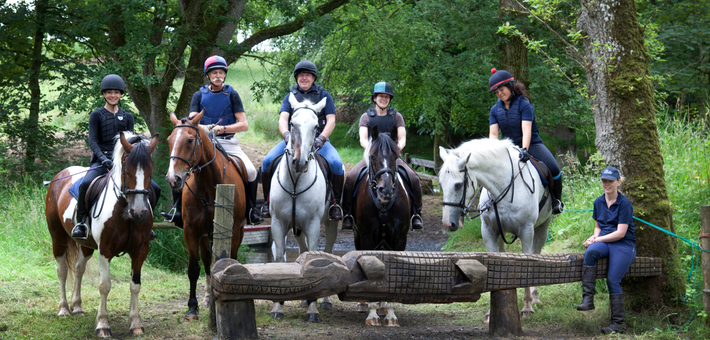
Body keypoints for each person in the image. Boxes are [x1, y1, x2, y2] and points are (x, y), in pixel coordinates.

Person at [161, 55, 263, 225]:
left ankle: (251, 210)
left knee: (251, 171)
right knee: (180, 169)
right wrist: (206, 128)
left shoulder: (232, 94)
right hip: (203, 143)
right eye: (214, 73)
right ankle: (178, 211)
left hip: (227, 142)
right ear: (208, 75)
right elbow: (193, 121)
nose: (218, 76)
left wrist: (222, 129)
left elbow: (243, 124)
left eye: (221, 73)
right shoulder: (199, 95)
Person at [72, 74, 162, 239]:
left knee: (155, 188)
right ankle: (81, 223)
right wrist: (103, 158)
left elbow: (132, 141)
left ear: (120, 94)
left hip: (124, 162)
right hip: (102, 160)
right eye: (109, 92)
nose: (113, 95)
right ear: (104, 94)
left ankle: (147, 224)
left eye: (116, 92)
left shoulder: (127, 117)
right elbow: (92, 140)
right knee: (85, 184)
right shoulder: (96, 115)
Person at [260, 60, 344, 221]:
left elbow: (331, 121)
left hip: (319, 141)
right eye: (301, 75)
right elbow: (283, 119)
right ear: (296, 77)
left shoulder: (324, 95)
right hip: (293, 141)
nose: (304, 78)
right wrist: (286, 135)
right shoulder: (291, 96)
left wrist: (321, 138)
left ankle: (335, 204)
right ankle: (266, 202)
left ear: (313, 78)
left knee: (336, 165)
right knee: (267, 161)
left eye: (307, 75)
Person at [340, 82, 423, 231]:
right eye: (380, 96)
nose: (383, 99)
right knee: (351, 177)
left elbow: (402, 138)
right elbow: (363, 139)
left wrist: (395, 150)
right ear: (375, 98)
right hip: (373, 156)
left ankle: (416, 214)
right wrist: (373, 150)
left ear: (389, 99)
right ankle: (347, 215)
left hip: (392, 156)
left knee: (414, 178)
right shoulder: (366, 117)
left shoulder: (396, 116)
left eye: (386, 97)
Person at [488, 68, 563, 214]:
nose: (499, 94)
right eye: (496, 92)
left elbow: (526, 130)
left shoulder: (524, 104)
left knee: (554, 169)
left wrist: (524, 149)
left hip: (532, 144)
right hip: (508, 147)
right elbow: (493, 133)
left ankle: (556, 200)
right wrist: (492, 152)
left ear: (509, 86)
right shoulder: (494, 110)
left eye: (501, 90)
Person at [576, 166, 636, 334]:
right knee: (590, 252)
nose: (606, 184)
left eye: (610, 181)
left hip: (624, 244)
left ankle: (617, 324)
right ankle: (588, 299)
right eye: (604, 181)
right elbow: (598, 226)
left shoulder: (624, 203)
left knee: (612, 279)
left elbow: (620, 233)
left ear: (618, 182)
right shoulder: (598, 202)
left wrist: (597, 239)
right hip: (604, 240)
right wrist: (593, 238)